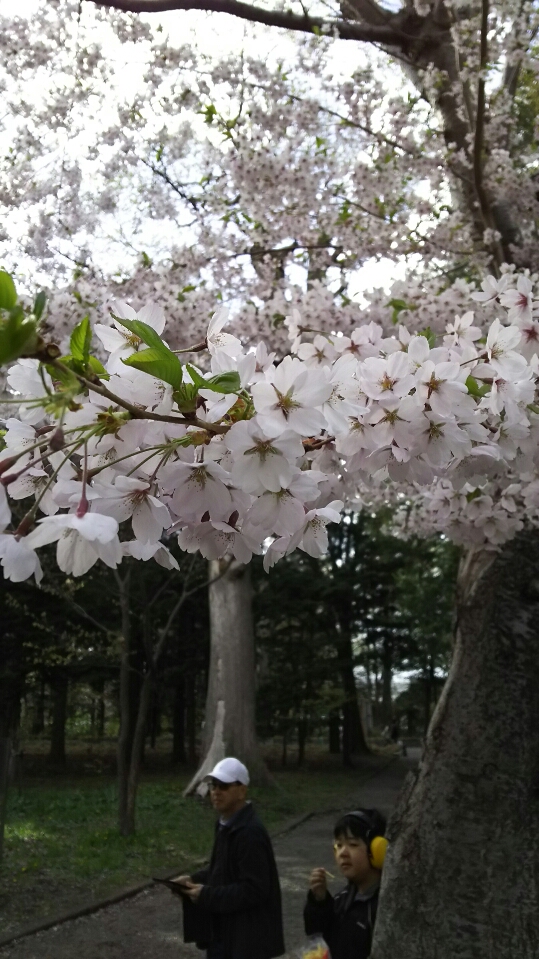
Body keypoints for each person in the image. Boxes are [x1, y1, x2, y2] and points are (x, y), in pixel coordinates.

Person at [172, 757, 285, 959]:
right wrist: (193, 881)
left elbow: (255, 889)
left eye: (223, 786)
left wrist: (206, 895)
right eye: (213, 785)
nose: (216, 791)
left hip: (246, 942)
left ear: (242, 791)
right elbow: (222, 869)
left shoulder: (250, 832)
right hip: (224, 935)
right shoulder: (226, 824)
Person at [304, 808, 387, 959]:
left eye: (353, 844)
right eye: (339, 845)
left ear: (377, 850)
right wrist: (319, 901)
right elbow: (317, 935)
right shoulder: (343, 898)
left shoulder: (386, 906)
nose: (343, 853)